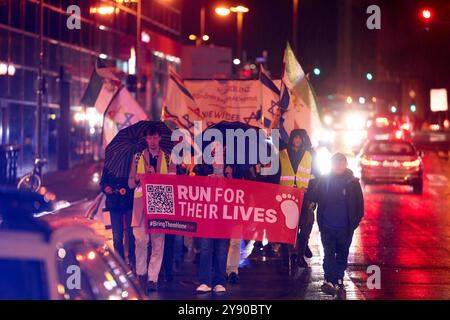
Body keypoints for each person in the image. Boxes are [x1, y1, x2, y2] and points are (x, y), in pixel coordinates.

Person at [307, 153, 364, 299]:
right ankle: (329, 279)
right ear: (331, 164)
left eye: (341, 163)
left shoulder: (353, 182)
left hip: (345, 228)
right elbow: (316, 195)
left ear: (345, 164)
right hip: (327, 226)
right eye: (335, 163)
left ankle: (338, 279)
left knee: (342, 254)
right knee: (329, 254)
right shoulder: (325, 180)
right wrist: (312, 203)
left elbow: (359, 206)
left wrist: (353, 223)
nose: (338, 166)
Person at [128, 126, 176, 293]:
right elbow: (130, 183)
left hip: (160, 204)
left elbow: (173, 182)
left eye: (155, 138)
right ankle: (141, 272)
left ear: (159, 138)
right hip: (140, 204)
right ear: (146, 140)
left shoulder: (169, 159)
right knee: (140, 240)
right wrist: (138, 178)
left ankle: (152, 278)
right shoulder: (137, 158)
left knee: (157, 243)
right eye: (150, 138)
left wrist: (155, 175)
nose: (152, 141)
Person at [195, 142, 230, 294]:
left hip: (224, 211)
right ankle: (204, 281)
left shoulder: (231, 166)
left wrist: (230, 175)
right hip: (207, 212)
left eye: (219, 148)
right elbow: (194, 184)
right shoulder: (203, 167)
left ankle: (219, 282)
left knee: (222, 248)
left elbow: (242, 185)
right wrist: (205, 178)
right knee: (206, 246)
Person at [277, 129, 314, 268]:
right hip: (285, 197)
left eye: (300, 138)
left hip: (303, 197)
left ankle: (299, 255)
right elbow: (276, 174)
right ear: (291, 138)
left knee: (304, 227)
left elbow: (314, 176)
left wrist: (310, 193)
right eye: (295, 138)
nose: (297, 140)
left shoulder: (309, 156)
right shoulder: (282, 154)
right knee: (285, 228)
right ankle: (285, 257)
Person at [100, 167, 135, 270]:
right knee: (117, 237)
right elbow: (103, 182)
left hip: (130, 202)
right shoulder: (110, 163)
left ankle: (133, 261)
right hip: (114, 203)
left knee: (131, 234)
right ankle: (121, 264)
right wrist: (106, 188)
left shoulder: (131, 160)